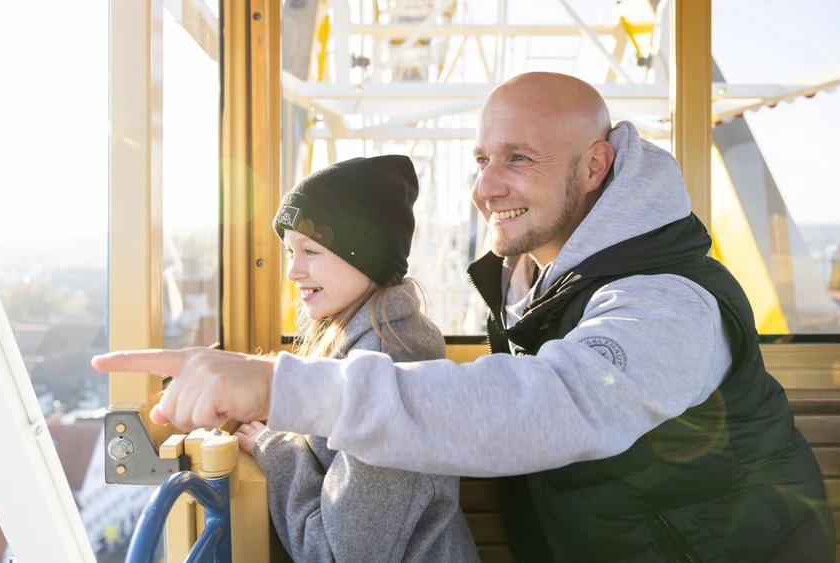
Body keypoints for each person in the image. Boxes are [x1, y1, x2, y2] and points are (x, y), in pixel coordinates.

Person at [93, 73, 834, 562]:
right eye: (482, 157)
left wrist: (272, 388)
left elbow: (550, 403)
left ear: (595, 167)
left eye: (517, 159)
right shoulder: (537, 275)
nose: (484, 186)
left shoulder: (669, 302)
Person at [238, 155, 477, 562]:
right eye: (288, 252)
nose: (293, 272)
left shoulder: (391, 357)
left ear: (364, 254)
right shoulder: (356, 339)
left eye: (311, 250)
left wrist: (276, 449)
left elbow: (336, 555)